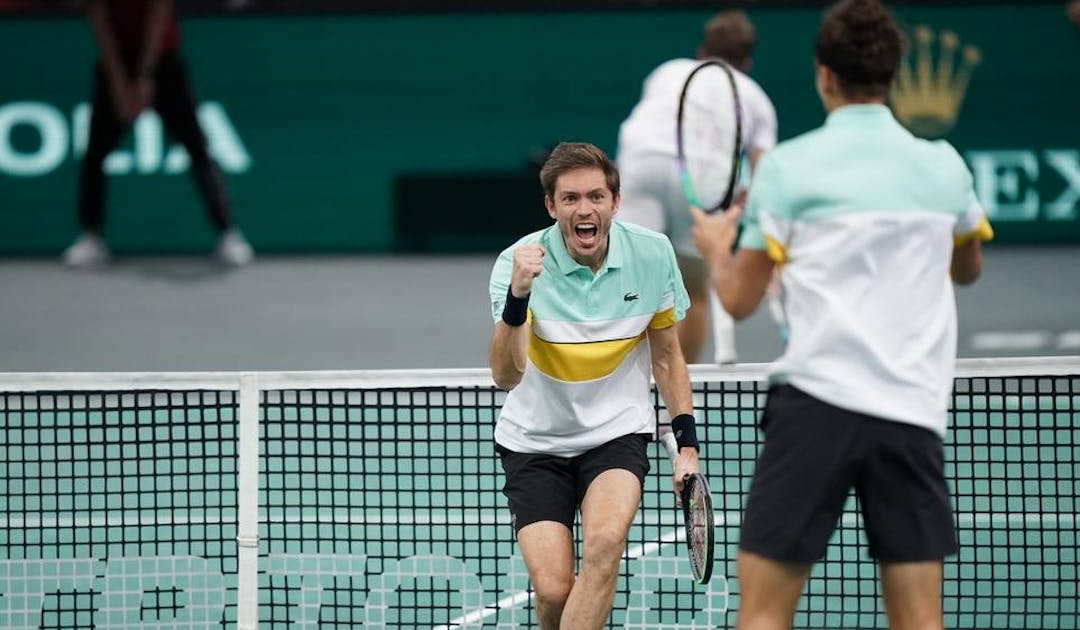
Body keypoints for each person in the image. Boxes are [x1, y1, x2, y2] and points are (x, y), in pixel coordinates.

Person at [689, 1, 992, 628]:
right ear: (893, 76)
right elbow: (967, 269)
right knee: (919, 621)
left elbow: (739, 299)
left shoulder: (791, 170)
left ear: (824, 75)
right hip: (911, 415)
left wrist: (720, 249)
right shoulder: (945, 168)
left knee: (764, 616)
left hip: (815, 412)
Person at [488, 142, 701, 629]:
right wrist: (519, 298)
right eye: (570, 199)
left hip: (616, 433)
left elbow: (667, 358)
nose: (584, 209)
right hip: (535, 442)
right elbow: (505, 375)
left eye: (596, 196)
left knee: (605, 546)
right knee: (554, 590)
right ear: (551, 207)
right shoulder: (516, 265)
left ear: (615, 202)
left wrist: (687, 445)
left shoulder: (652, 254)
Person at [615, 9, 778, 364]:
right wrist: (742, 211)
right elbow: (765, 179)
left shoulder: (667, 71)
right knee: (692, 291)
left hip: (642, 164)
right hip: (702, 182)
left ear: (703, 51)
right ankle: (680, 394)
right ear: (747, 61)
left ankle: (622, 391)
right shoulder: (757, 98)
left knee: (630, 286)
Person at [62, 0, 253, 268]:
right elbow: (99, 18)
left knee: (197, 148)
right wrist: (119, 82)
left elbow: (159, 13)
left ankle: (227, 233)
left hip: (162, 61)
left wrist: (145, 76)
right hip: (116, 62)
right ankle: (91, 236)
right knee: (94, 153)